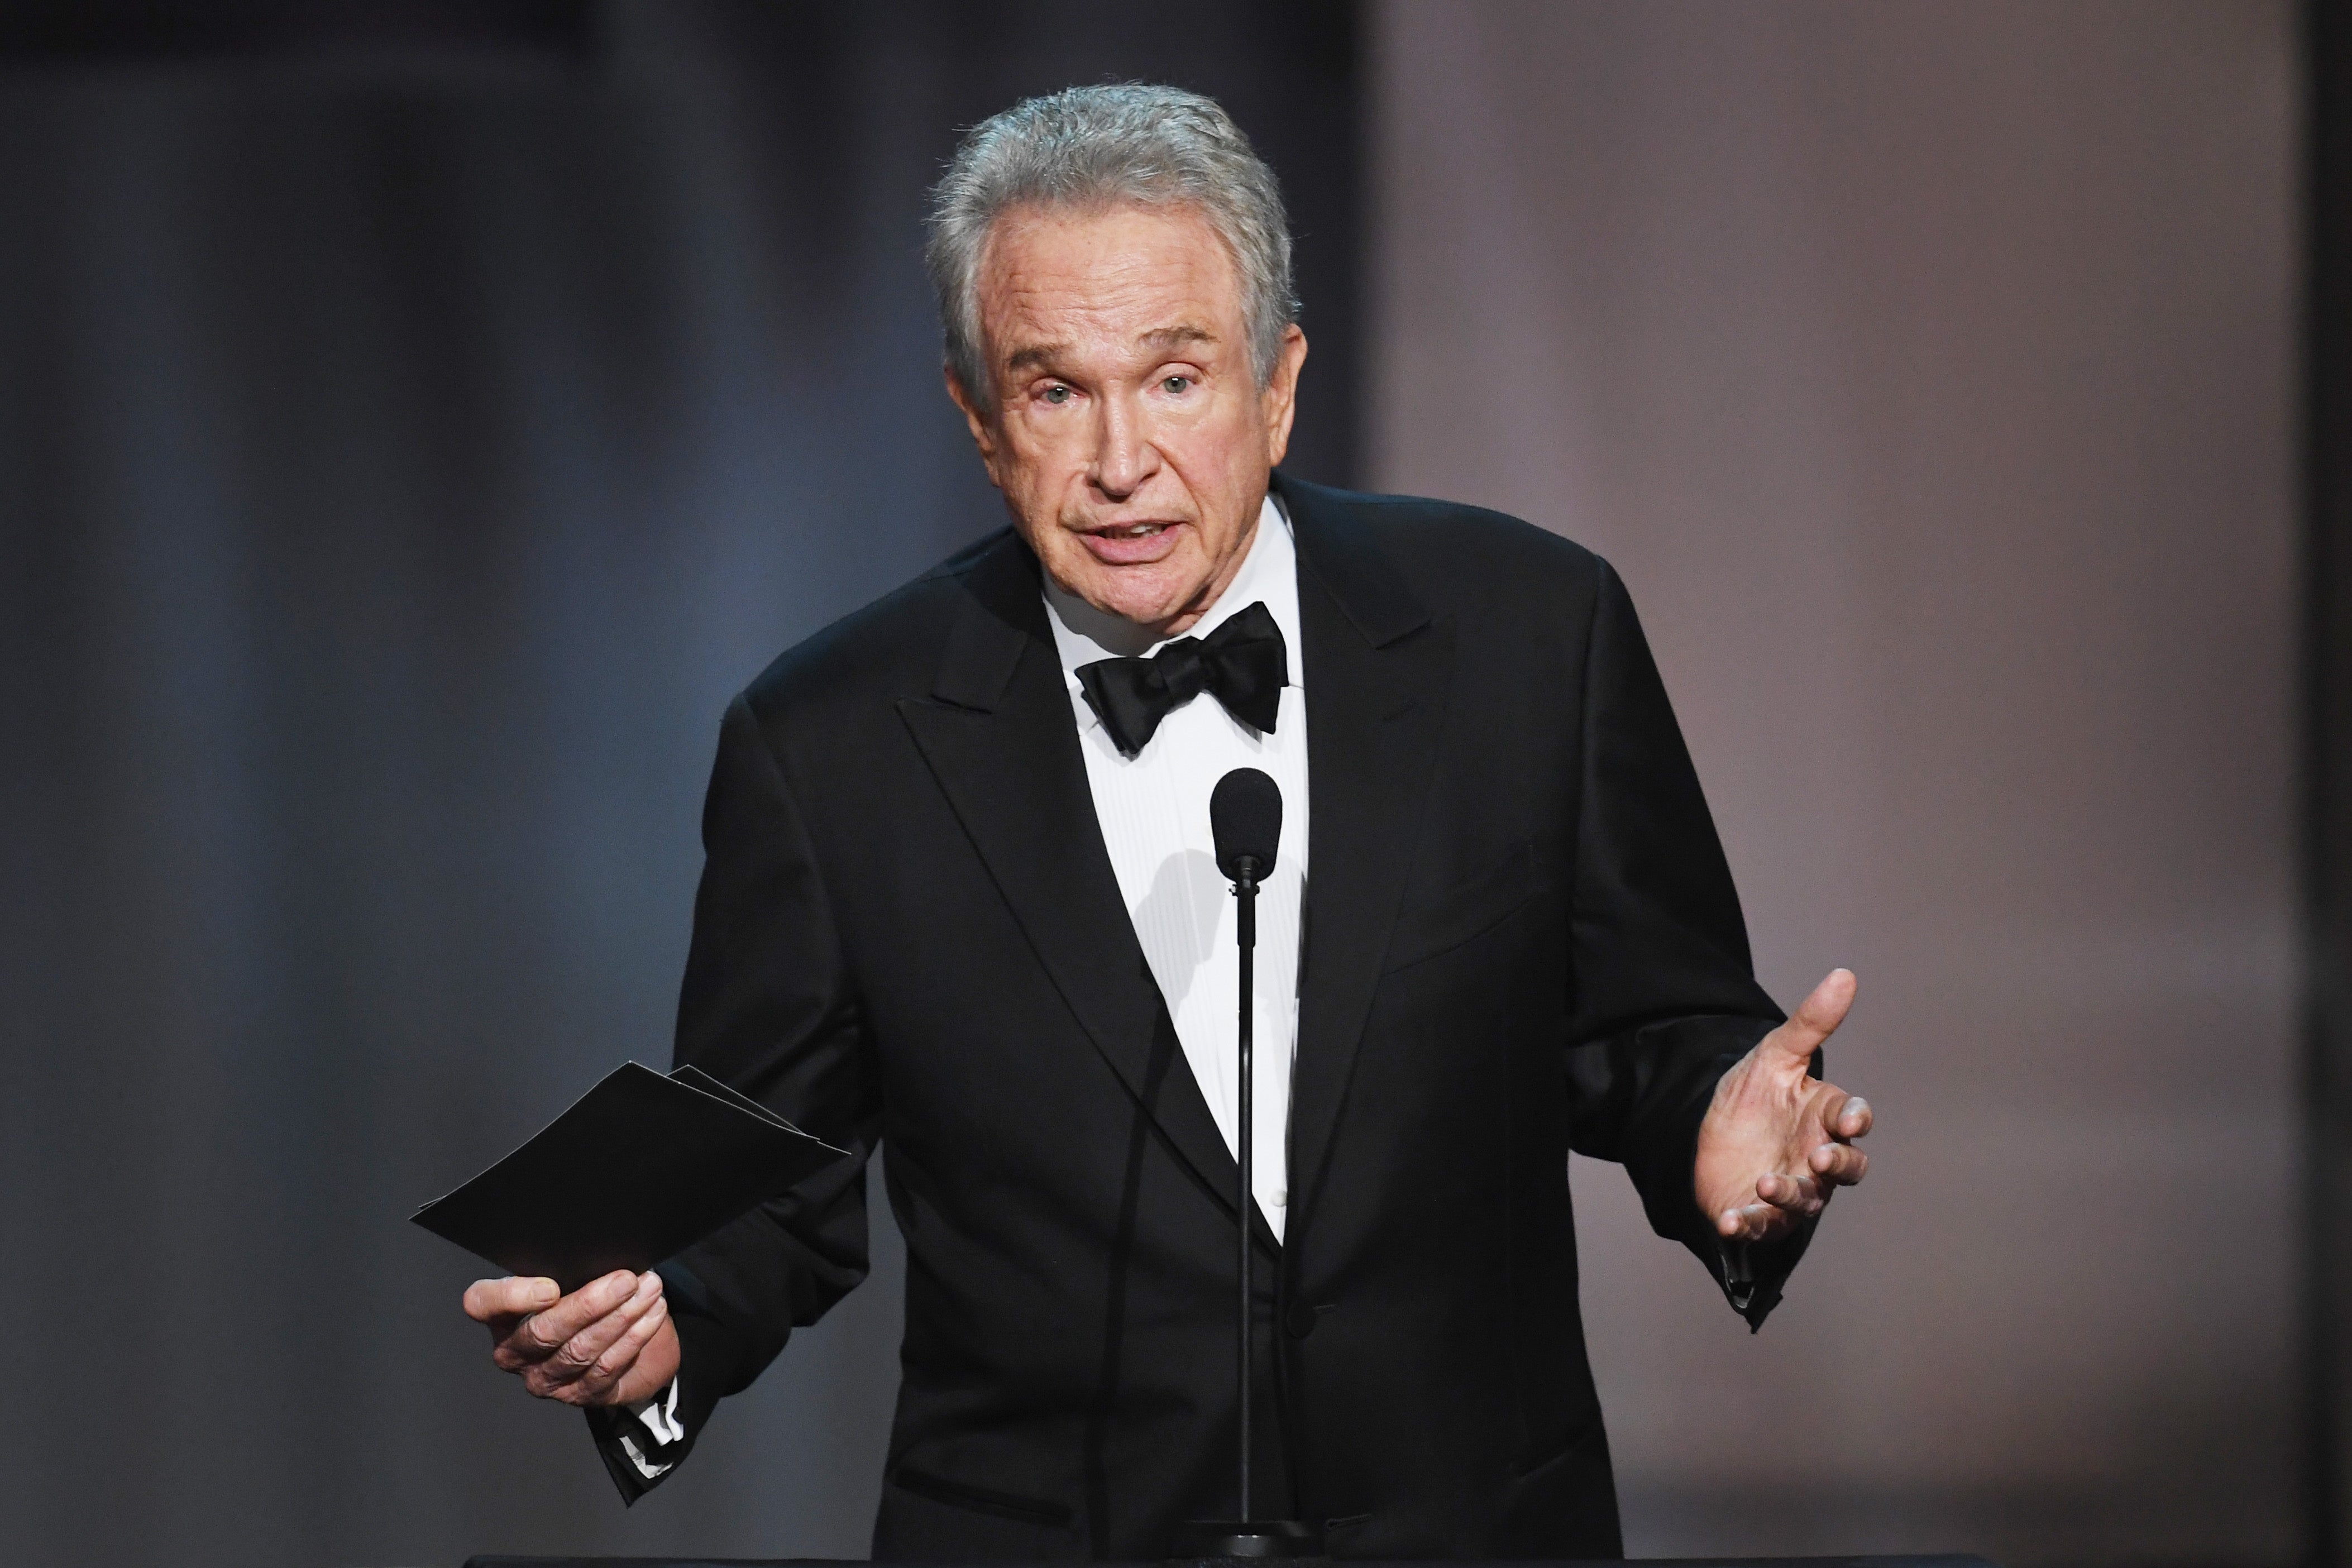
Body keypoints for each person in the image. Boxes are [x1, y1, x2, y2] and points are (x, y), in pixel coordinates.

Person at [460, 83, 1873, 1559]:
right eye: (1055, 389)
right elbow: (762, 1182)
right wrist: (662, 1323)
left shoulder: (1526, 633)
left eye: (1176, 379)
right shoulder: (830, 741)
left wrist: (1722, 1132)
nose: (1119, 459)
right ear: (977, 416)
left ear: (1277, 382)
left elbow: (1650, 1032)